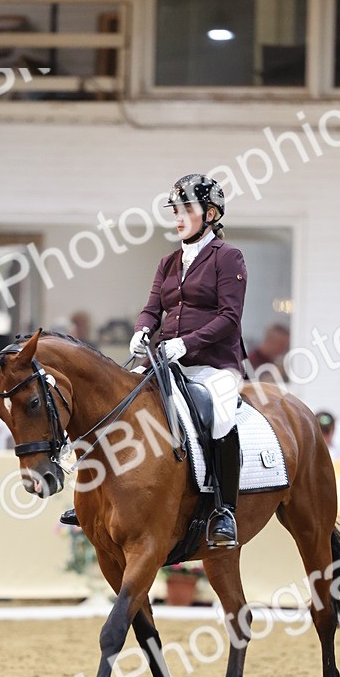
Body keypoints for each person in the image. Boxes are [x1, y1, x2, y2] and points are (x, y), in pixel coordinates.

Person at [62, 173, 247, 549]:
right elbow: (152, 308)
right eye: (175, 211)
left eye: (186, 210)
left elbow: (230, 317)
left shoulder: (228, 258)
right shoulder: (168, 261)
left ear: (210, 213)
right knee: (113, 405)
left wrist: (187, 343)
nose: (178, 218)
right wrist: (143, 329)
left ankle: (223, 510)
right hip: (165, 360)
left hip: (214, 364)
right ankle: (93, 492)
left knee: (221, 415)